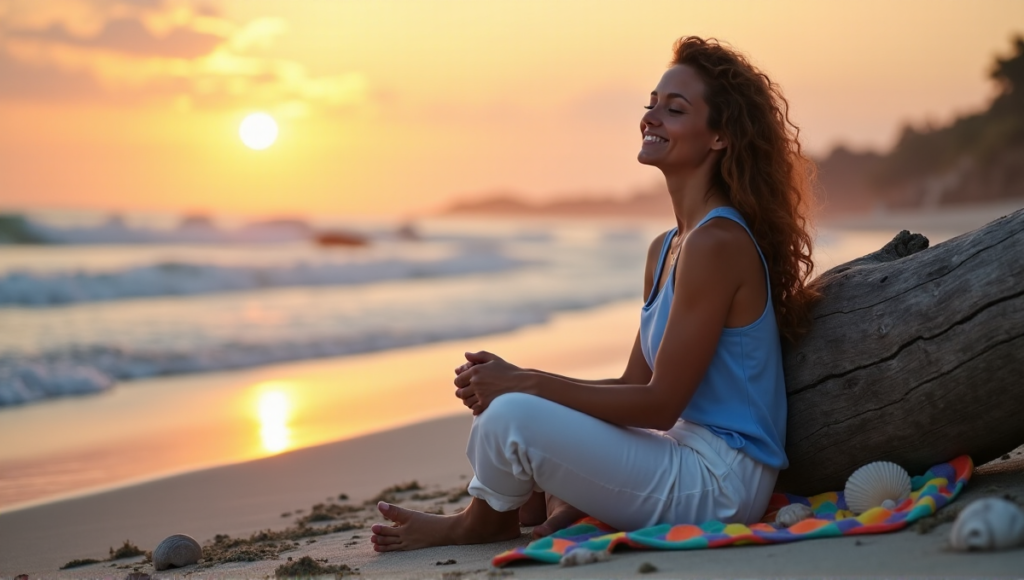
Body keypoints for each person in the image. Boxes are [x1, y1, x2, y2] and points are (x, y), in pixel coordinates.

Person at [370, 36, 818, 552]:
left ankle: (485, 521)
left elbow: (658, 405)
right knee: (512, 408)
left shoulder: (717, 243)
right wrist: (516, 379)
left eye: (673, 109)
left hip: (720, 482)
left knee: (511, 418)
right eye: (651, 104)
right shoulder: (668, 246)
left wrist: (525, 383)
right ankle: (535, 503)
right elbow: (632, 383)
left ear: (719, 137)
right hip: (680, 452)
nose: (651, 117)